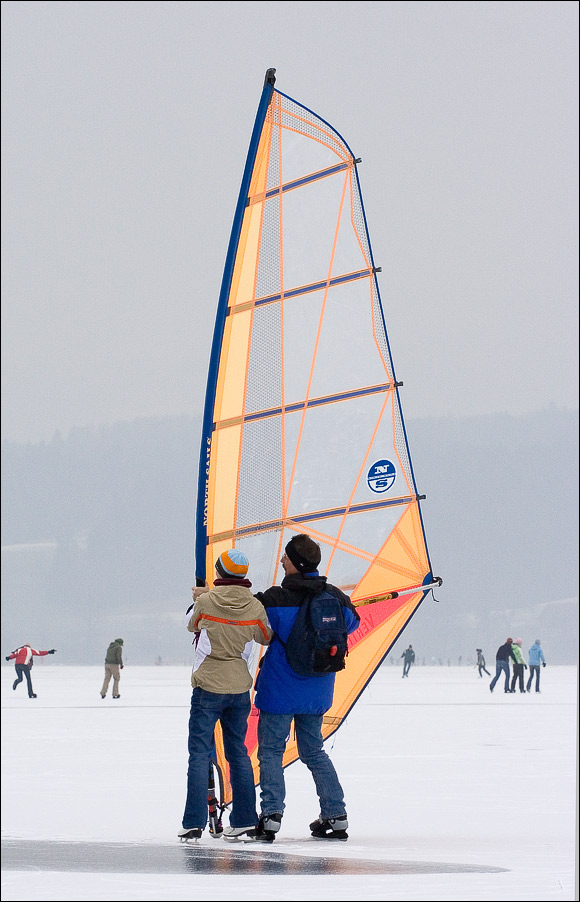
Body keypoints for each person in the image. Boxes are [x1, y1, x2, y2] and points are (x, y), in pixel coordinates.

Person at [249, 534, 360, 843]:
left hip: (280, 690)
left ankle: (271, 816)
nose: (280, 561)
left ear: (295, 564)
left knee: (271, 751)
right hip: (317, 690)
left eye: (285, 557)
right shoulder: (334, 596)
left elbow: (246, 617)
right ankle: (336, 816)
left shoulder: (275, 598)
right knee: (314, 751)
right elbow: (351, 623)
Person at [179, 549, 272, 842]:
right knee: (238, 754)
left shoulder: (206, 602)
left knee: (198, 754)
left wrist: (199, 599)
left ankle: (193, 822)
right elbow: (265, 636)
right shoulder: (255, 605)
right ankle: (245, 818)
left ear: (219, 573)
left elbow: (192, 625)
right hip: (238, 690)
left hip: (207, 686)